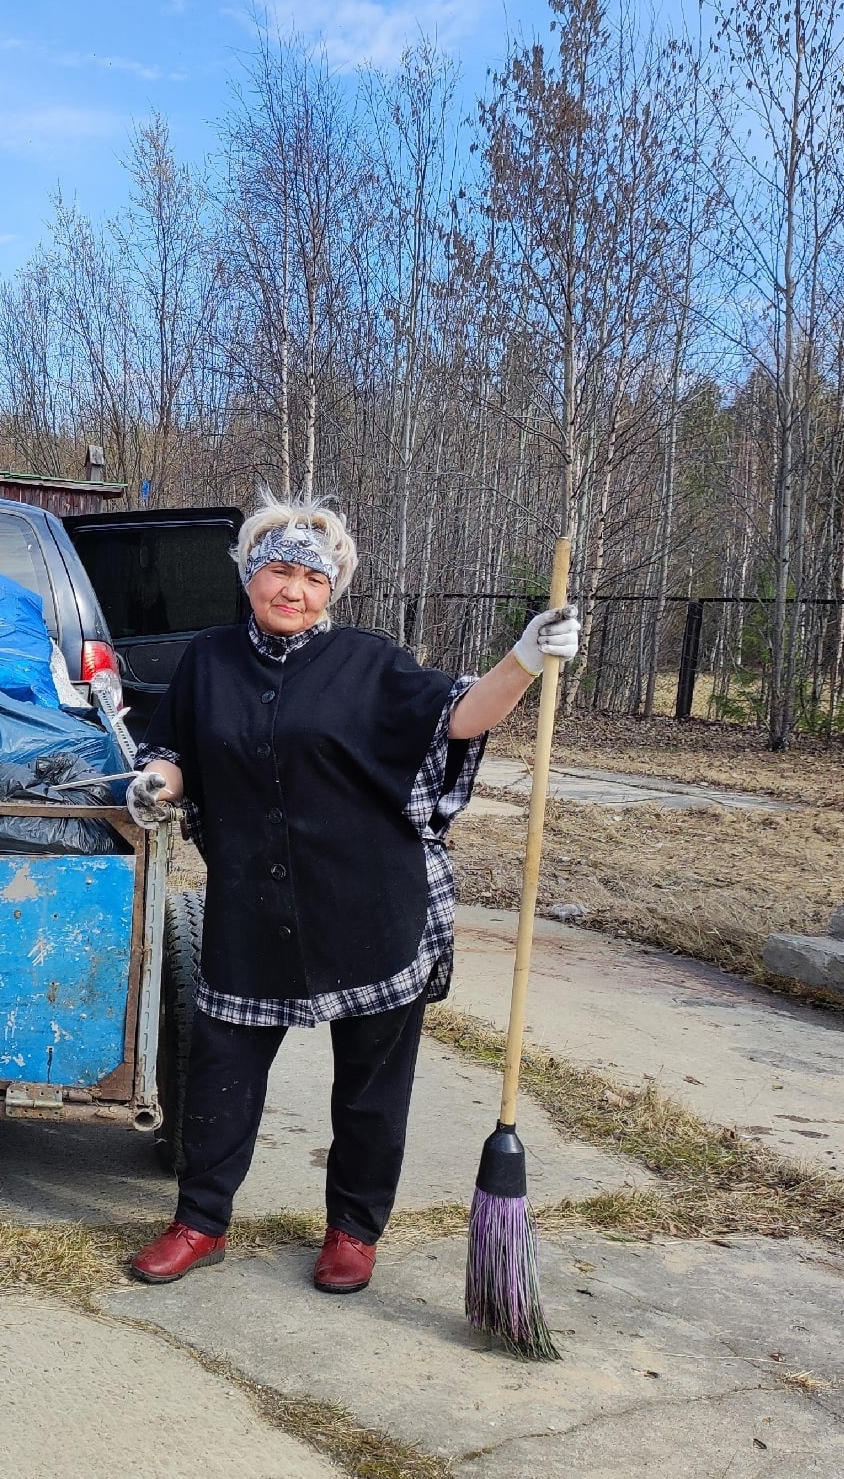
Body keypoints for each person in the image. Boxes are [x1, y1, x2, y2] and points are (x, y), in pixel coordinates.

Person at [123, 496, 579, 1295]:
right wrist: (157, 781)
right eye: (277, 570)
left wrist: (525, 660)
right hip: (251, 912)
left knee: (371, 1084)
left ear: (330, 587)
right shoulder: (208, 659)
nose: (292, 589)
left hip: (369, 906)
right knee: (222, 1070)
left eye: (309, 576)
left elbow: (459, 717)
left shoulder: (372, 664)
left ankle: (352, 1231)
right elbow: (174, 746)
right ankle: (200, 1220)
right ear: (249, 574)